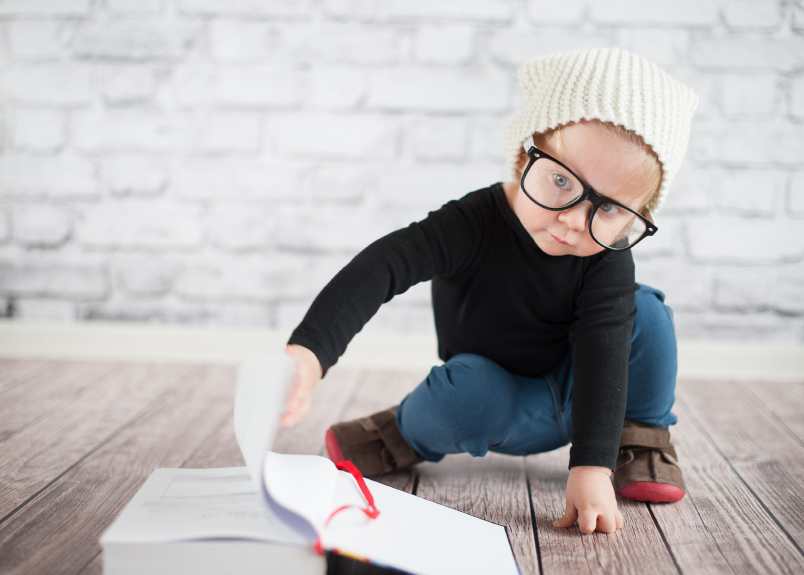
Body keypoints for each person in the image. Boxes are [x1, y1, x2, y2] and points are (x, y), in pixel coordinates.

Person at [280, 48, 698, 535]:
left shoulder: (606, 254)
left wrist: (591, 467)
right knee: (467, 396)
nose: (572, 221)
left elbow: (605, 352)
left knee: (645, 313)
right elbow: (382, 267)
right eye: (561, 181)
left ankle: (641, 437)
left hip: (590, 395)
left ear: (633, 216)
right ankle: (402, 432)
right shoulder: (472, 223)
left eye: (607, 210)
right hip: (498, 401)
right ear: (525, 154)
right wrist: (310, 352)